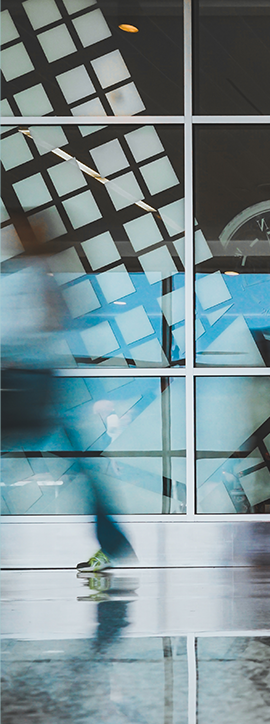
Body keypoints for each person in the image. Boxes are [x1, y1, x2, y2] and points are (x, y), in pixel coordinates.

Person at [1, 215, 134, 572]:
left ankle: (113, 539)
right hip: (37, 382)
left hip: (25, 384)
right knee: (75, 460)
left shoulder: (32, 275)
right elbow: (59, 320)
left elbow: (41, 323)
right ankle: (113, 540)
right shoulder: (41, 274)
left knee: (72, 459)